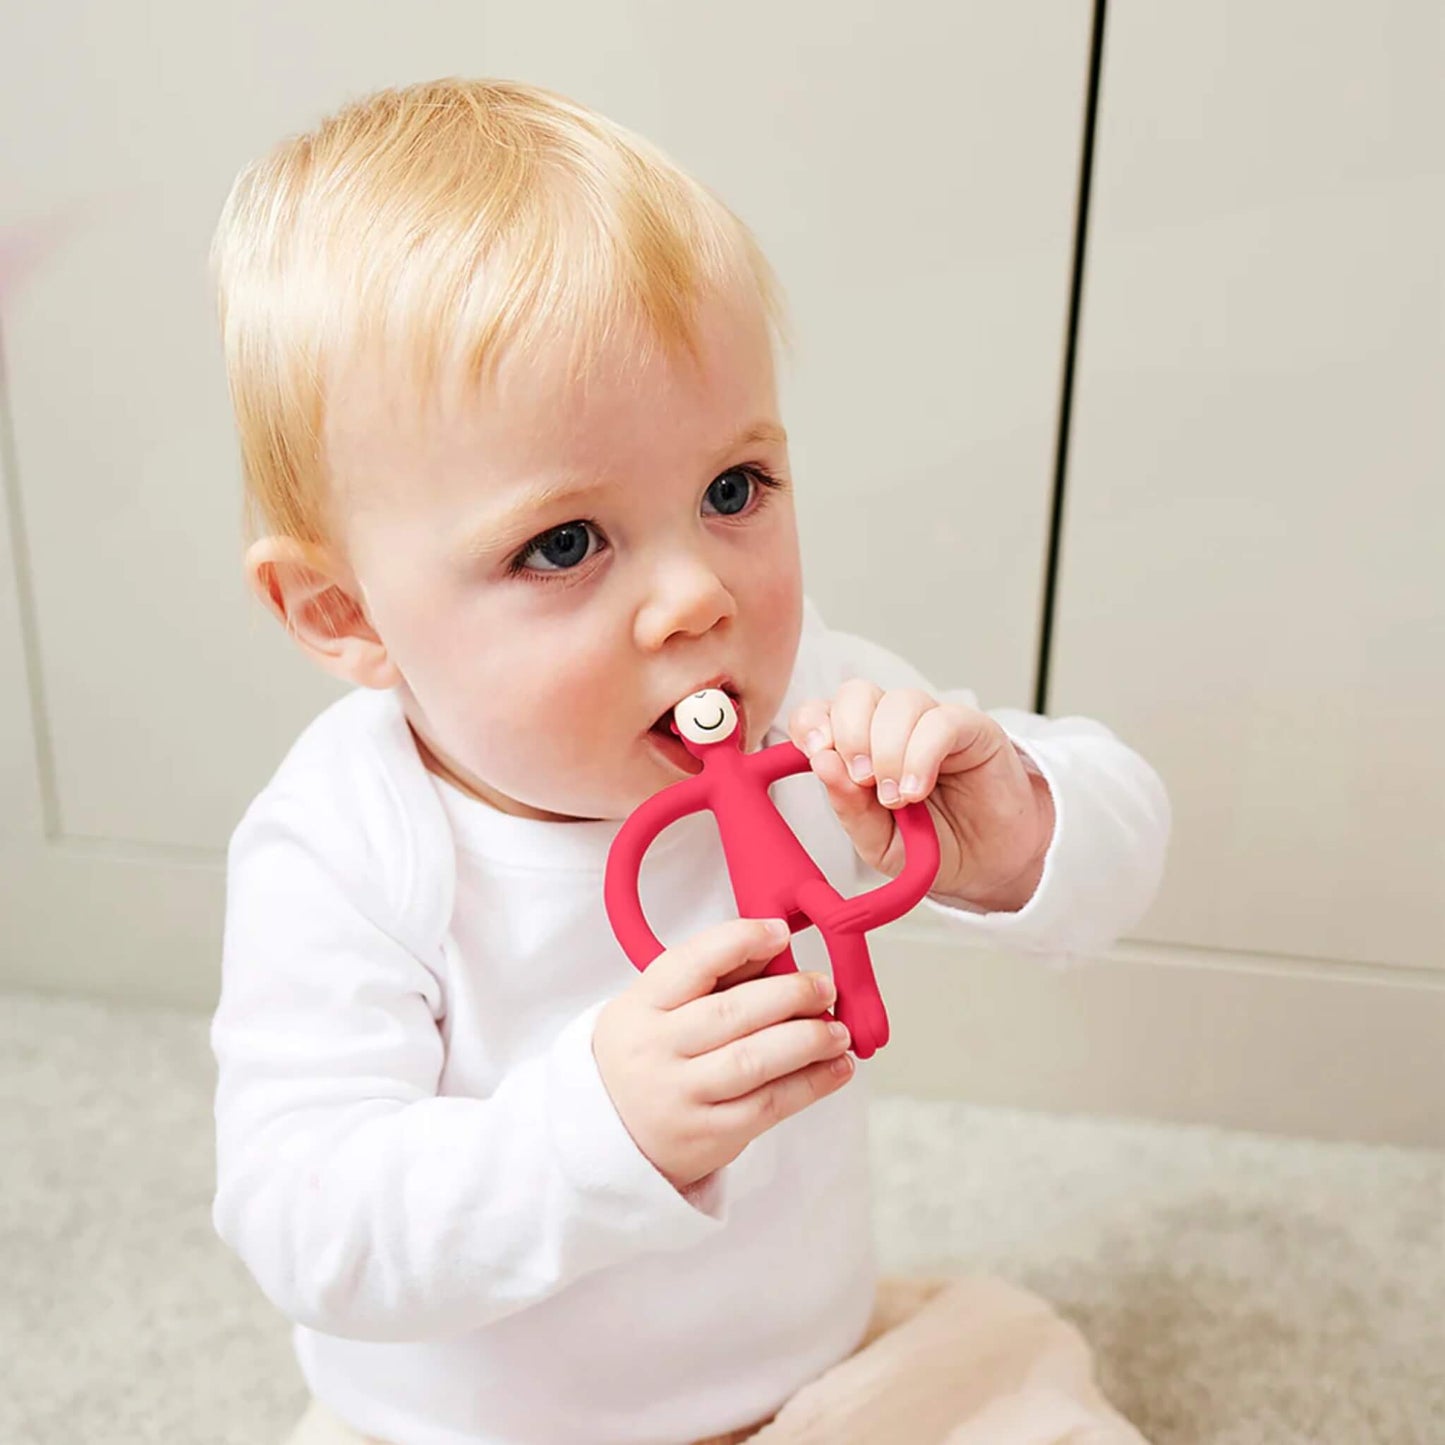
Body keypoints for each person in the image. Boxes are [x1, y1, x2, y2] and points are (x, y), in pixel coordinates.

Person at [208, 76, 1170, 1445]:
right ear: (345, 614)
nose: (695, 600)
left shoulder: (812, 702)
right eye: (563, 543)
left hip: (806, 1377)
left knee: (1016, 1390)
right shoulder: (344, 838)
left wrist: (1008, 824)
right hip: (467, 1429)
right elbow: (306, 1219)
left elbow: (1125, 834)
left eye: (733, 492)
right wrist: (598, 1126)